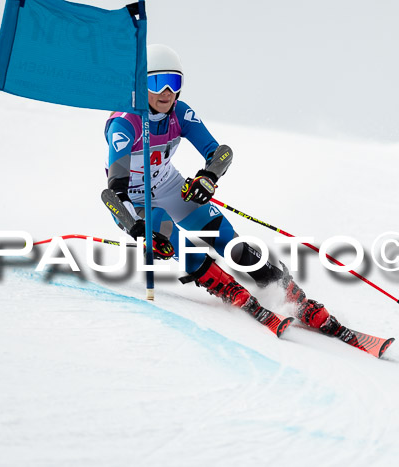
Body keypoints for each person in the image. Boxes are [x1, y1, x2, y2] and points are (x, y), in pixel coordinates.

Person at [104, 44, 348, 338]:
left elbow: (220, 152)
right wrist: (139, 229)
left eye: (175, 82)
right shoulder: (124, 123)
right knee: (173, 235)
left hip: (170, 186)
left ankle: (289, 294)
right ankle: (229, 290)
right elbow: (113, 194)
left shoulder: (180, 113)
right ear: (142, 85)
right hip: (135, 200)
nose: (167, 91)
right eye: (157, 82)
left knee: (224, 236)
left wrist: (208, 177)